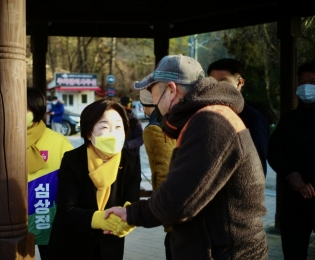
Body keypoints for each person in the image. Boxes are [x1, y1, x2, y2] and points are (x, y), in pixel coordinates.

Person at [105, 54, 268, 259]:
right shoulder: (205, 117)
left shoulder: (211, 122)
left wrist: (132, 214)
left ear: (171, 90)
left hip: (225, 252)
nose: (154, 102)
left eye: (153, 93)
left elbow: (178, 201)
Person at [48, 98, 141, 260]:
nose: (113, 133)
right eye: (105, 127)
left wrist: (127, 220)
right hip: (72, 244)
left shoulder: (130, 161)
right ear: (89, 133)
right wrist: (100, 220)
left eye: (119, 127)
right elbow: (66, 210)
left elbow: (131, 201)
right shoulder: (72, 160)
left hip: (110, 246)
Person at [267, 60, 315, 259]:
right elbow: (274, 152)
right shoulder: (289, 120)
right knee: (293, 253)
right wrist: (291, 174)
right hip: (294, 202)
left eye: (312, 81)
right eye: (301, 82)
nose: (306, 87)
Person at [26, 87, 73, 259]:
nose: (24, 113)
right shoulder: (2, 139)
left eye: (28, 108)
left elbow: (73, 182)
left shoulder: (59, 141)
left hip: (48, 219)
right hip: (14, 221)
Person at [207, 58, 268, 176]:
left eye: (223, 81)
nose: (217, 87)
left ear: (240, 82)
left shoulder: (253, 118)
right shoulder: (205, 112)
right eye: (212, 82)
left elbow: (257, 165)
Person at [138, 89, 176, 260]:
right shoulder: (174, 120)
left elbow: (163, 173)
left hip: (174, 211)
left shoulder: (154, 129)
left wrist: (167, 218)